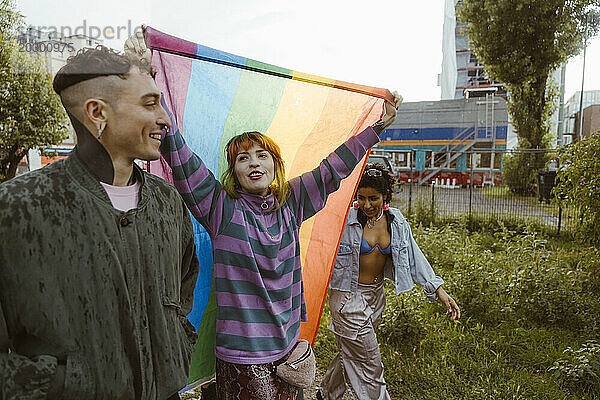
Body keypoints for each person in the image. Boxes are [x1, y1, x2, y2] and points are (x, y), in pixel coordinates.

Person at [125, 32, 402, 400]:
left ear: (275, 164)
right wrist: (152, 81)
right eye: (242, 157)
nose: (253, 162)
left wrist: (376, 129)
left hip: (288, 350)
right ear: (233, 172)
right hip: (241, 358)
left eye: (261, 155)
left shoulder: (293, 202)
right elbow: (177, 150)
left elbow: (333, 168)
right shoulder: (221, 208)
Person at [0, 46, 200, 399]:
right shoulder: (16, 210)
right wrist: (67, 383)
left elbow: (181, 297)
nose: (166, 120)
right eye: (150, 103)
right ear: (97, 113)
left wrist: (176, 349)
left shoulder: (169, 204)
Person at [318, 163, 460, 400]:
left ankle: (326, 393)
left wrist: (439, 290)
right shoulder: (343, 221)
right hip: (347, 299)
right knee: (370, 363)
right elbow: (317, 250)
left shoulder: (397, 222)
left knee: (352, 352)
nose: (366, 205)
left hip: (375, 298)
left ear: (385, 196)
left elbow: (414, 256)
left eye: (373, 198)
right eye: (361, 198)